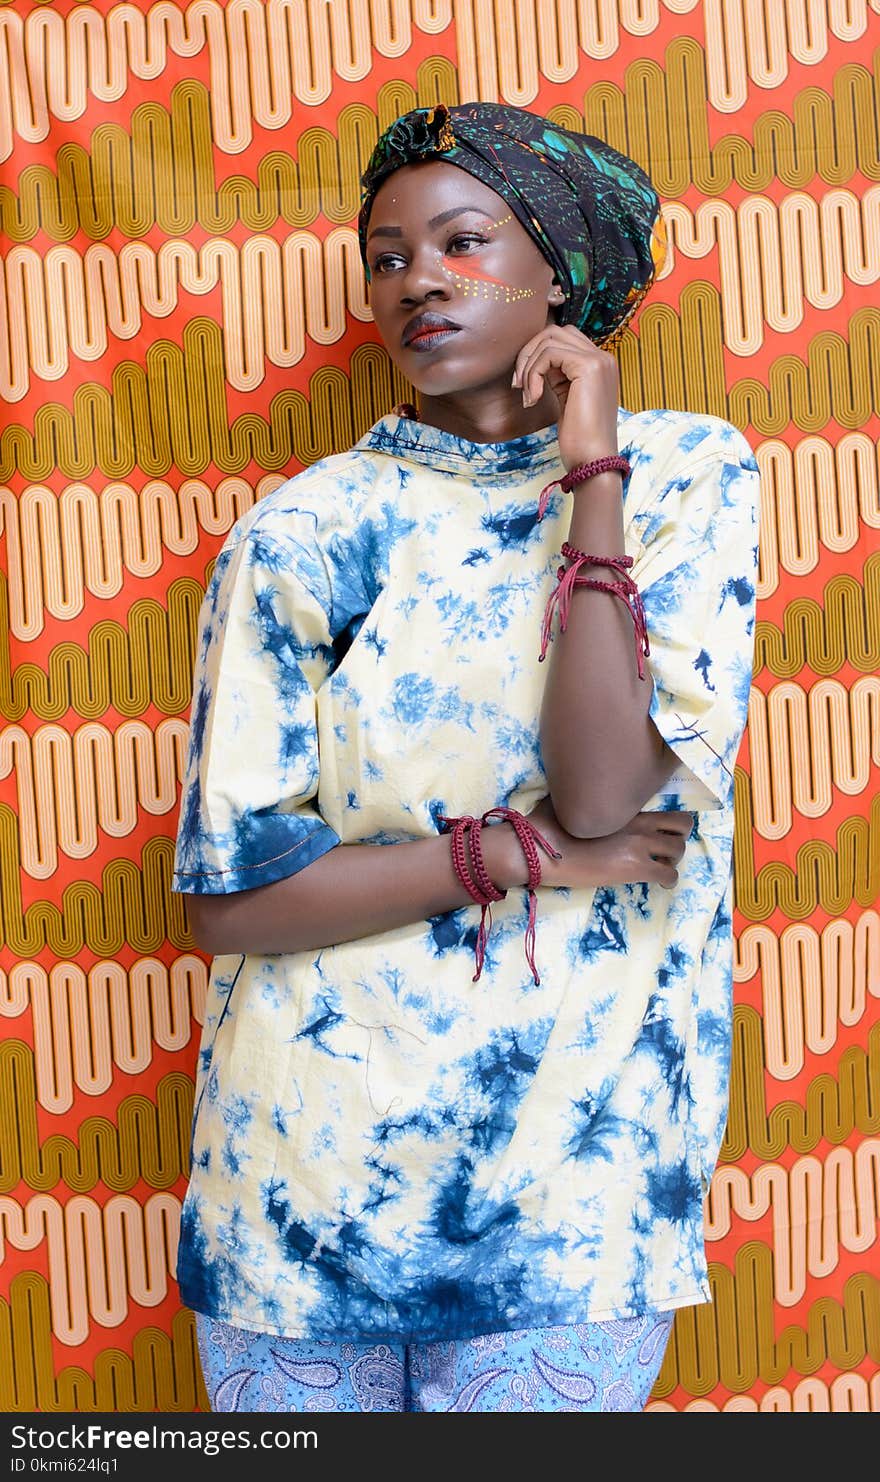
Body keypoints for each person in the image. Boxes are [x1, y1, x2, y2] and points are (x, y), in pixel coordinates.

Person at [171, 102, 760, 1414]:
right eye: (386, 256)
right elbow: (235, 898)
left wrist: (590, 467)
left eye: (462, 241)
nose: (416, 279)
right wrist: (533, 851)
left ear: (561, 272)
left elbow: (613, 787)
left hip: (572, 1213)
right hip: (298, 1207)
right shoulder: (305, 529)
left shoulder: (689, 480)